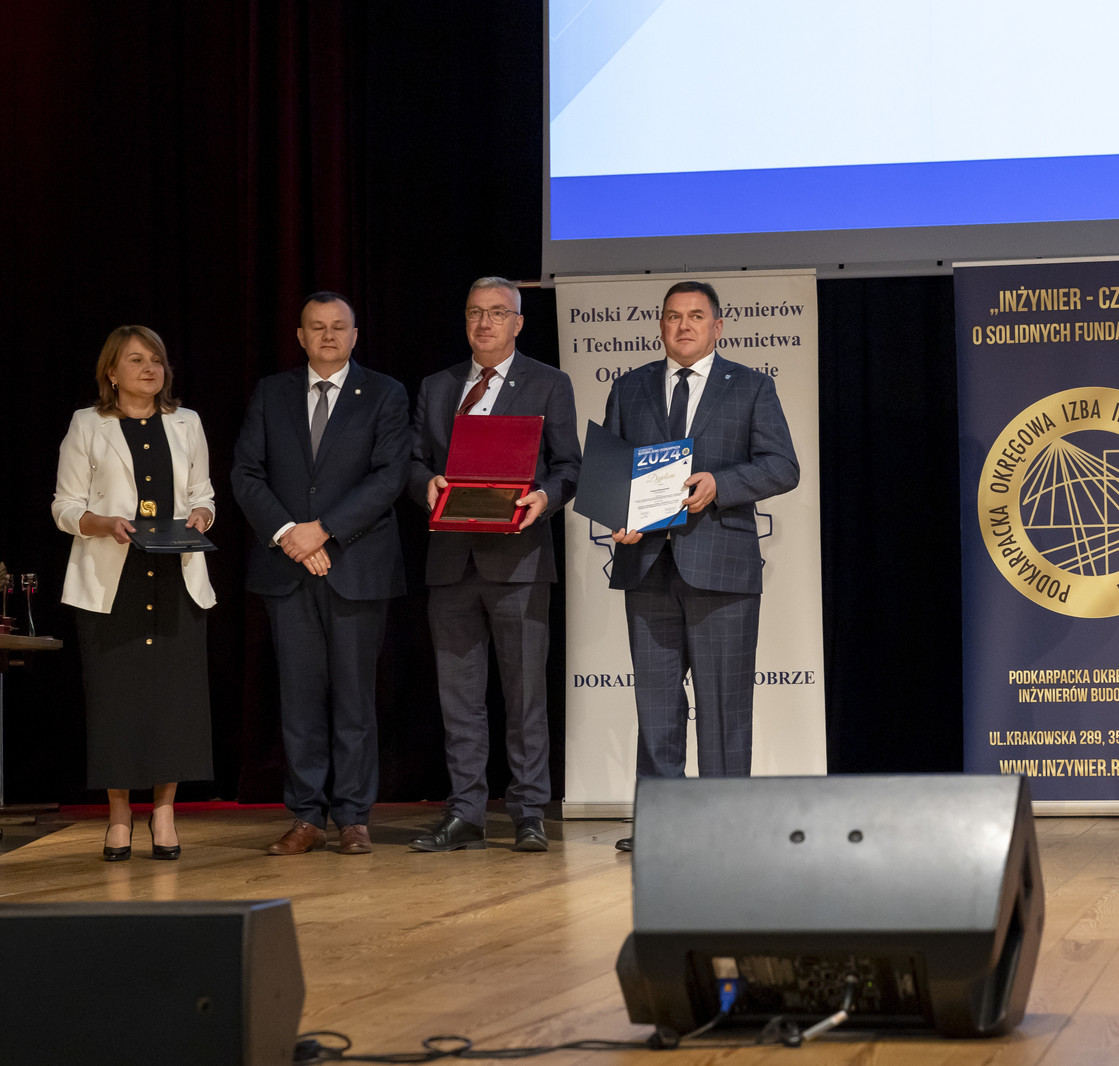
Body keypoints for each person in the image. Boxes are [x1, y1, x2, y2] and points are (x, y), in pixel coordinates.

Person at [603, 281, 800, 851]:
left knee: (724, 704)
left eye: (695, 316)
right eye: (672, 316)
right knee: (656, 705)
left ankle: (725, 825)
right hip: (646, 564)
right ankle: (664, 824)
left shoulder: (751, 386)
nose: (683, 326)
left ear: (718, 326)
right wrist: (617, 515)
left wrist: (721, 484)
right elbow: (610, 472)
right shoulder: (630, 386)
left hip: (722, 564)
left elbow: (782, 466)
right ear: (661, 326)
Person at [406, 277, 581, 853]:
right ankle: (466, 814)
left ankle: (529, 812)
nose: (485, 322)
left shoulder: (549, 383)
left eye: (498, 313)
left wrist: (545, 498)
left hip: (520, 560)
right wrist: (425, 484)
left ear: (519, 323)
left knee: (525, 697)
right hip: (451, 562)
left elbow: (569, 465)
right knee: (459, 700)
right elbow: (412, 460)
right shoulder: (437, 386)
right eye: (475, 312)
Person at [232, 292, 408, 856]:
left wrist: (325, 530)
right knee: (299, 700)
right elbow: (246, 473)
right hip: (287, 569)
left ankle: (353, 818)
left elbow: (388, 477)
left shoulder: (384, 393)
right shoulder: (271, 393)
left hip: (357, 567)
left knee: (355, 701)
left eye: (339, 327)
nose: (328, 336)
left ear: (355, 336)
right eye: (317, 327)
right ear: (300, 336)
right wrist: (291, 534)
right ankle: (306, 816)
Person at [52, 325, 215, 861]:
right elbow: (64, 506)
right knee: (115, 702)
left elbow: (204, 493)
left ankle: (164, 814)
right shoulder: (87, 424)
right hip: (111, 583)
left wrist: (202, 514)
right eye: (137, 360)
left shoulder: (187, 422)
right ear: (112, 373)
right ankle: (119, 815)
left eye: (157, 361)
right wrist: (102, 523)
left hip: (175, 577)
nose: (150, 369)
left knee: (173, 702)